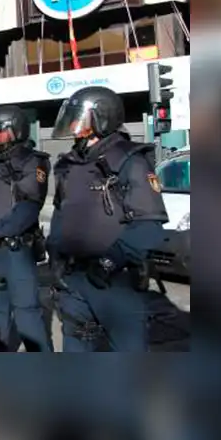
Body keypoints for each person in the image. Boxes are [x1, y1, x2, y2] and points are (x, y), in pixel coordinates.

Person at [47, 86, 169, 351]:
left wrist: (109, 261)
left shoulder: (130, 161)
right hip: (73, 280)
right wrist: (54, 258)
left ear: (102, 119)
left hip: (113, 280)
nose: (75, 128)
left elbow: (149, 226)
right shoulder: (68, 164)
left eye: (81, 121)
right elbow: (60, 213)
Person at [0, 106, 52, 351]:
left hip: (16, 250)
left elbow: (28, 207)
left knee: (26, 313)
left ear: (15, 131)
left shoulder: (32, 161)